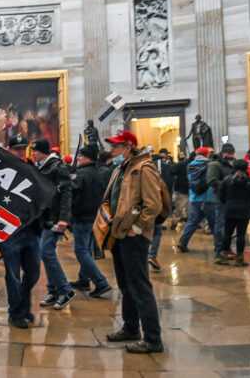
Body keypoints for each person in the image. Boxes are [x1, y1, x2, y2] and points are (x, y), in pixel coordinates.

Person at [102, 130, 163, 354]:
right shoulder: (121, 169)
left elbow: (153, 205)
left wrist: (136, 228)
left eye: (116, 147)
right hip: (119, 233)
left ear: (128, 148)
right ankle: (130, 328)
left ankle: (153, 338)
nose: (112, 150)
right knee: (126, 285)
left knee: (140, 286)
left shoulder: (144, 168)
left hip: (134, 236)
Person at [0, 135, 42, 328]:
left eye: (23, 149)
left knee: (33, 272)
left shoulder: (32, 169)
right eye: (17, 149)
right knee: (14, 275)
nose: (21, 152)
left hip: (31, 229)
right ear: (9, 150)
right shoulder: (0, 171)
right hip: (10, 232)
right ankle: (16, 312)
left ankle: (24, 306)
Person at [32, 138, 75, 310]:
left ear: (43, 152)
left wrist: (64, 217)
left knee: (46, 251)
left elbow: (66, 192)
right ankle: (54, 290)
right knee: (46, 253)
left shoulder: (57, 166)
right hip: (44, 217)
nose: (33, 154)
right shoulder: (39, 167)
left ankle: (65, 290)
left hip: (55, 217)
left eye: (35, 151)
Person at [69, 146, 111, 297]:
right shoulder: (100, 172)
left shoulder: (80, 174)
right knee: (87, 249)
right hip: (96, 217)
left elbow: (72, 195)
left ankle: (101, 282)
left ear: (88, 158)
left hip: (82, 217)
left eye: (81, 155)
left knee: (81, 251)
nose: (78, 157)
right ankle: (84, 280)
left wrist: (70, 212)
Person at [216, 160, 250, 266]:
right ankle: (239, 258)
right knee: (241, 235)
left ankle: (223, 256)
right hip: (244, 211)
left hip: (230, 210)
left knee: (227, 233)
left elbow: (221, 195)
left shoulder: (227, 180)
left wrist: (227, 203)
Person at [176, 148, 217, 253]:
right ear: (207, 155)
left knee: (192, 221)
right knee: (214, 223)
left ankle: (182, 242)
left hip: (194, 198)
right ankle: (219, 246)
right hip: (208, 198)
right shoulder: (210, 165)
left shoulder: (190, 166)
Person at [206, 143, 235, 255]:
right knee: (220, 225)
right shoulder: (215, 165)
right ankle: (220, 249)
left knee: (229, 226)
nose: (231, 155)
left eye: (232, 153)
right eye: (229, 153)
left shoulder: (231, 164)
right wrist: (227, 186)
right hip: (219, 199)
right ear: (223, 153)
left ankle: (227, 248)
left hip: (230, 199)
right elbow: (211, 181)